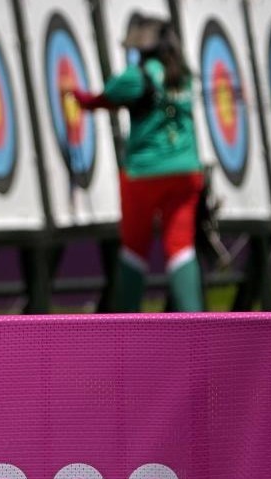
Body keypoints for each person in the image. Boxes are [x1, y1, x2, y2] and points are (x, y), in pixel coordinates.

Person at [70, 14, 205, 312]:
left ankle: (126, 331)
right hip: (187, 172)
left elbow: (102, 99)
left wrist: (78, 98)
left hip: (144, 174)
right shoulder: (182, 75)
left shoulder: (137, 76)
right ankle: (196, 327)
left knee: (134, 249)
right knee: (181, 247)